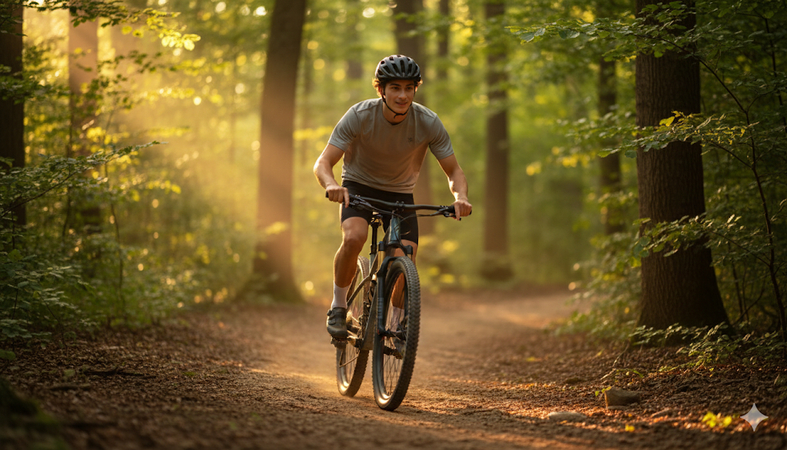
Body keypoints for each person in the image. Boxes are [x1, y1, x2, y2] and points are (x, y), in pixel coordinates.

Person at [313, 54, 472, 339]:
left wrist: (461, 196)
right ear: (381, 90)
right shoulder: (360, 115)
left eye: (409, 88)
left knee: (406, 256)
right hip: (359, 186)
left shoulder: (427, 122)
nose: (402, 95)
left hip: (400, 194)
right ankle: (338, 307)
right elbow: (323, 163)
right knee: (354, 237)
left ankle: (397, 323)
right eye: (395, 87)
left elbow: (454, 171)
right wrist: (331, 185)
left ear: (415, 89)